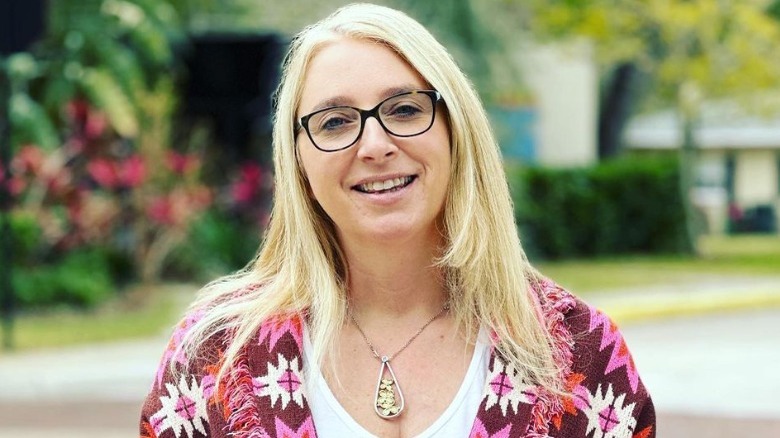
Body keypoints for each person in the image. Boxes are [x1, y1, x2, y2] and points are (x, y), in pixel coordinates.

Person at [140, 3, 655, 437]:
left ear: (457, 130)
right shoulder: (216, 356)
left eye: (405, 110)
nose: (376, 146)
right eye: (335, 122)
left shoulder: (580, 355)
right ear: (297, 158)